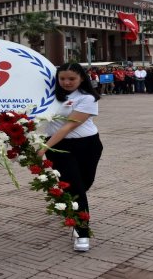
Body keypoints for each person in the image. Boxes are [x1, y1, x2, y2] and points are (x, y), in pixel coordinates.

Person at [38, 63, 103, 252]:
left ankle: (72, 209)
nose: (66, 82)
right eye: (62, 79)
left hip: (87, 146)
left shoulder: (87, 98)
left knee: (84, 184)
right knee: (76, 189)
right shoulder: (50, 96)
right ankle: (82, 232)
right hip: (59, 147)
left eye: (71, 79)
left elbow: (68, 127)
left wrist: (43, 148)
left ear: (81, 78)